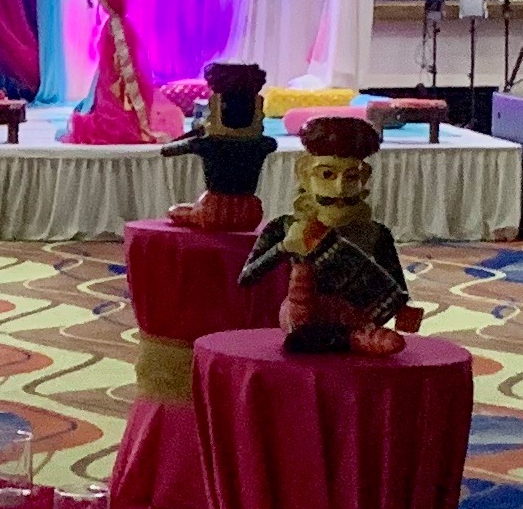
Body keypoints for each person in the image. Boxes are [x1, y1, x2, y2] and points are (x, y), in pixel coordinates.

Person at [238, 113, 418, 354]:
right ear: (304, 175)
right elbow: (247, 278)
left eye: (351, 177)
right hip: (303, 316)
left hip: (358, 317)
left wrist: (404, 311)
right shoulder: (284, 226)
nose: (340, 188)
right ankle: (352, 340)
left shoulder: (376, 233)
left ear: (363, 178)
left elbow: (396, 292)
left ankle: (351, 338)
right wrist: (284, 247)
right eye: (327, 175)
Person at [161, 61, 275, 231]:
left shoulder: (206, 144)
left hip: (212, 212)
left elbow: (166, 151)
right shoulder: (266, 144)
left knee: (175, 211)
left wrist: (198, 133)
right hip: (250, 213)